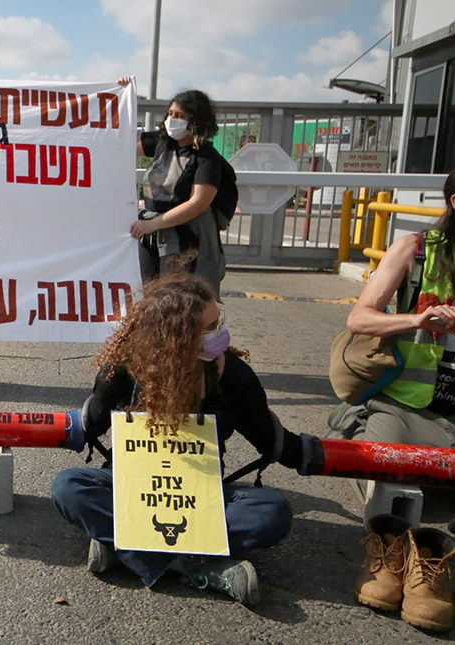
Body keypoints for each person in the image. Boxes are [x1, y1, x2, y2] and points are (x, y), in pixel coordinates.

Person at [51, 273, 309, 605]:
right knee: (68, 487)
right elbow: (92, 422)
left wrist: (335, 456)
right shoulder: (124, 369)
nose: (221, 333)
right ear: (176, 337)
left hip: (204, 495)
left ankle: (125, 546)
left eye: (219, 322)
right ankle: (197, 566)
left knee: (273, 512)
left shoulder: (233, 375)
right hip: (129, 486)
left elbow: (270, 440)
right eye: (209, 328)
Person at [343, 169, 455, 630]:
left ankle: (429, 556)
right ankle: (391, 547)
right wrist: (416, 320)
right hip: (408, 403)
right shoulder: (416, 249)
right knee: (378, 458)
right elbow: (359, 318)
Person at [119, 78, 232, 294]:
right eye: (170, 114)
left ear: (195, 121)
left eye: (179, 116)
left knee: (175, 298)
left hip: (184, 240)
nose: (172, 119)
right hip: (150, 235)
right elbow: (121, 139)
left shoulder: (206, 158)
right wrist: (120, 96)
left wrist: (155, 224)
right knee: (146, 293)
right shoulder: (163, 144)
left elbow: (198, 203)